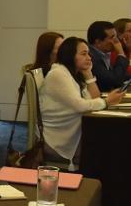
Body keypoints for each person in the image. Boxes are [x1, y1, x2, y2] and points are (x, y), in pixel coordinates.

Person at [41, 37, 124, 169]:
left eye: (89, 54)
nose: (89, 58)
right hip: (57, 138)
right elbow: (80, 106)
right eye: (84, 54)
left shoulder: (71, 73)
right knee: (109, 146)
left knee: (111, 142)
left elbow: (92, 99)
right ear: (70, 55)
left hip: (70, 132)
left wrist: (88, 74)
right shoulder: (58, 74)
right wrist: (107, 101)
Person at [86, 20, 131, 91]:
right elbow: (115, 80)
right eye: (112, 37)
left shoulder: (103, 54)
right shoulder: (91, 57)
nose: (116, 40)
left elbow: (118, 74)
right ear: (98, 42)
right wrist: (121, 53)